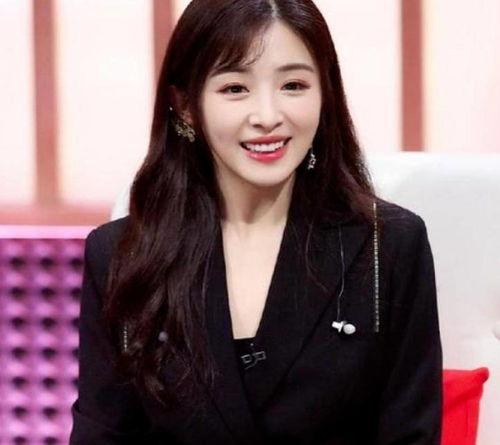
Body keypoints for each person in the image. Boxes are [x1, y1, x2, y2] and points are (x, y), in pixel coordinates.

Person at [69, 0, 443, 443]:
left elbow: (411, 432)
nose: (267, 116)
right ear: (185, 106)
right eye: (235, 88)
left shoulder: (390, 245)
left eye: (293, 85)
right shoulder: (122, 255)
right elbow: (103, 433)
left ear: (325, 93)